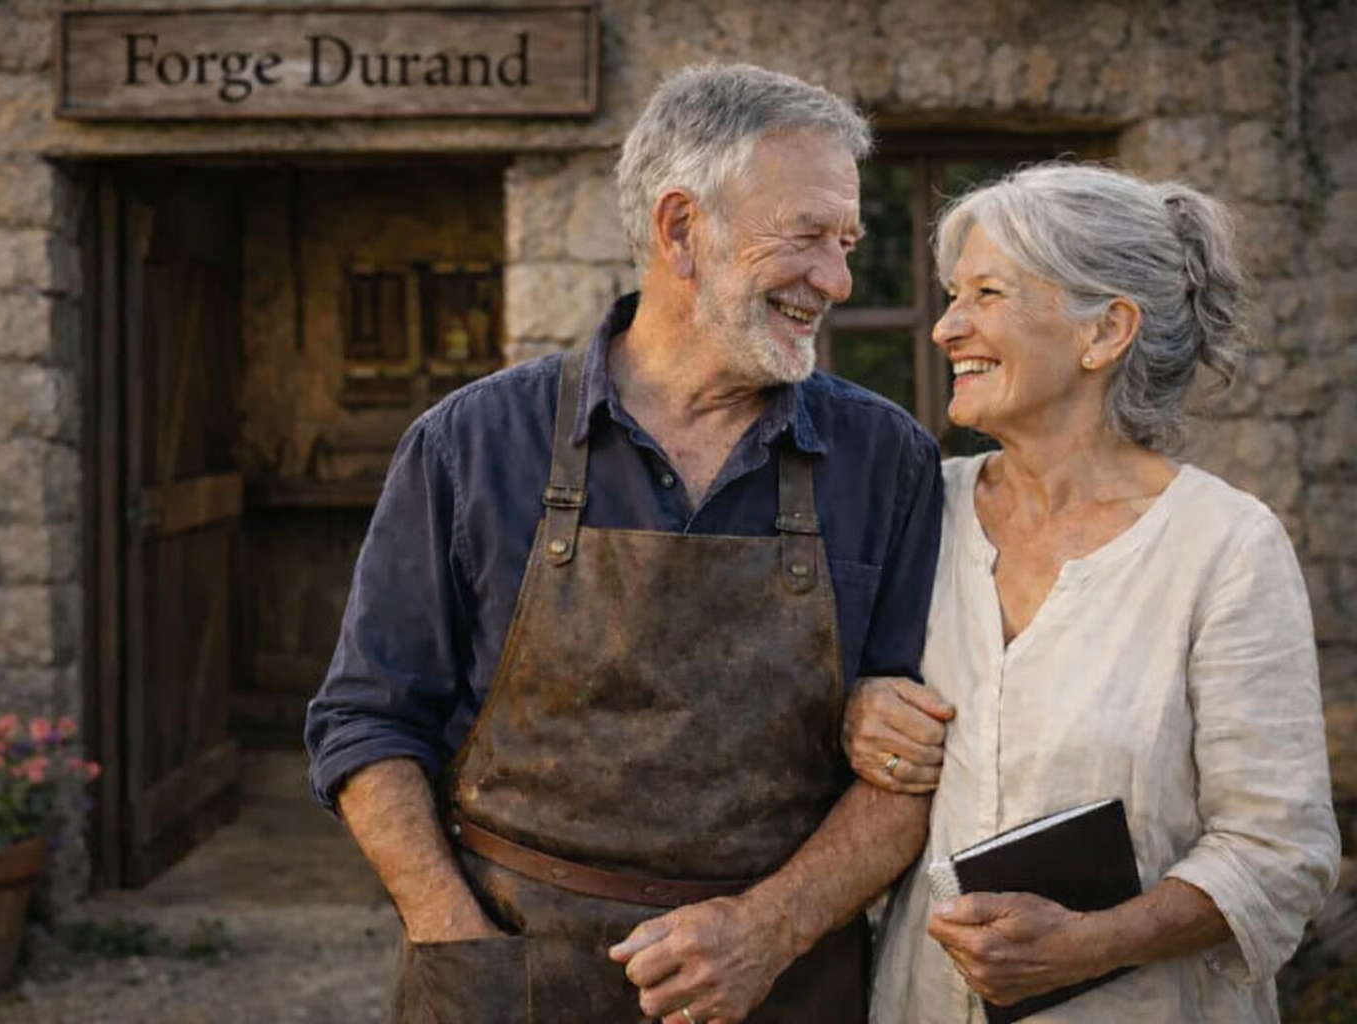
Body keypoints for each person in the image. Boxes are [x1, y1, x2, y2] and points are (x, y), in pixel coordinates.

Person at [305, 63, 944, 1024]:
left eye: (846, 242)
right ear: (681, 228)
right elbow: (365, 724)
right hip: (512, 979)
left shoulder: (887, 461)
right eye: (808, 236)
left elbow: (913, 769)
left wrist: (767, 931)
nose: (838, 280)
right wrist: (457, 943)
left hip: (780, 983)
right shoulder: (471, 445)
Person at [843, 163, 1341, 1023]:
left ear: (1106, 330)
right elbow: (835, 720)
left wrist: (1087, 944)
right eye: (952, 295)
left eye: (987, 294)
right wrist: (856, 710)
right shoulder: (924, 511)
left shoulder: (1222, 545)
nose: (946, 327)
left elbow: (1278, 850)